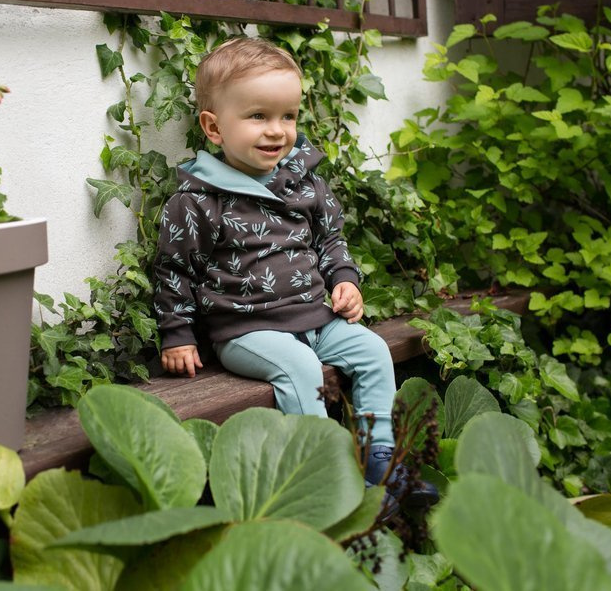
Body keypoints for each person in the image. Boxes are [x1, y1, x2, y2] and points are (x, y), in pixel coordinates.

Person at [152, 36, 437, 512]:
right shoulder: (198, 200)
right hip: (246, 331)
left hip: (316, 317)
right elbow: (175, 269)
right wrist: (177, 333)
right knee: (300, 369)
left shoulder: (304, 182)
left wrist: (344, 279)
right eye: (258, 116)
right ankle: (328, 478)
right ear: (214, 127)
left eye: (288, 116)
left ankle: (382, 462)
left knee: (371, 350)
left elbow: (330, 239)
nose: (276, 131)